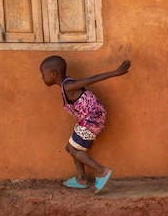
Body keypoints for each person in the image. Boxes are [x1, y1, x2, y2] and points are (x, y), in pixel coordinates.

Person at [40, 56, 131, 193]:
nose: (42, 78)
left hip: (92, 119)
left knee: (72, 149)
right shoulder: (66, 84)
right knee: (74, 148)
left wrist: (115, 72)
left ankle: (101, 170)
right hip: (90, 119)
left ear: (53, 74)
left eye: (43, 75)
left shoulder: (68, 86)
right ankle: (81, 178)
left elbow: (91, 79)